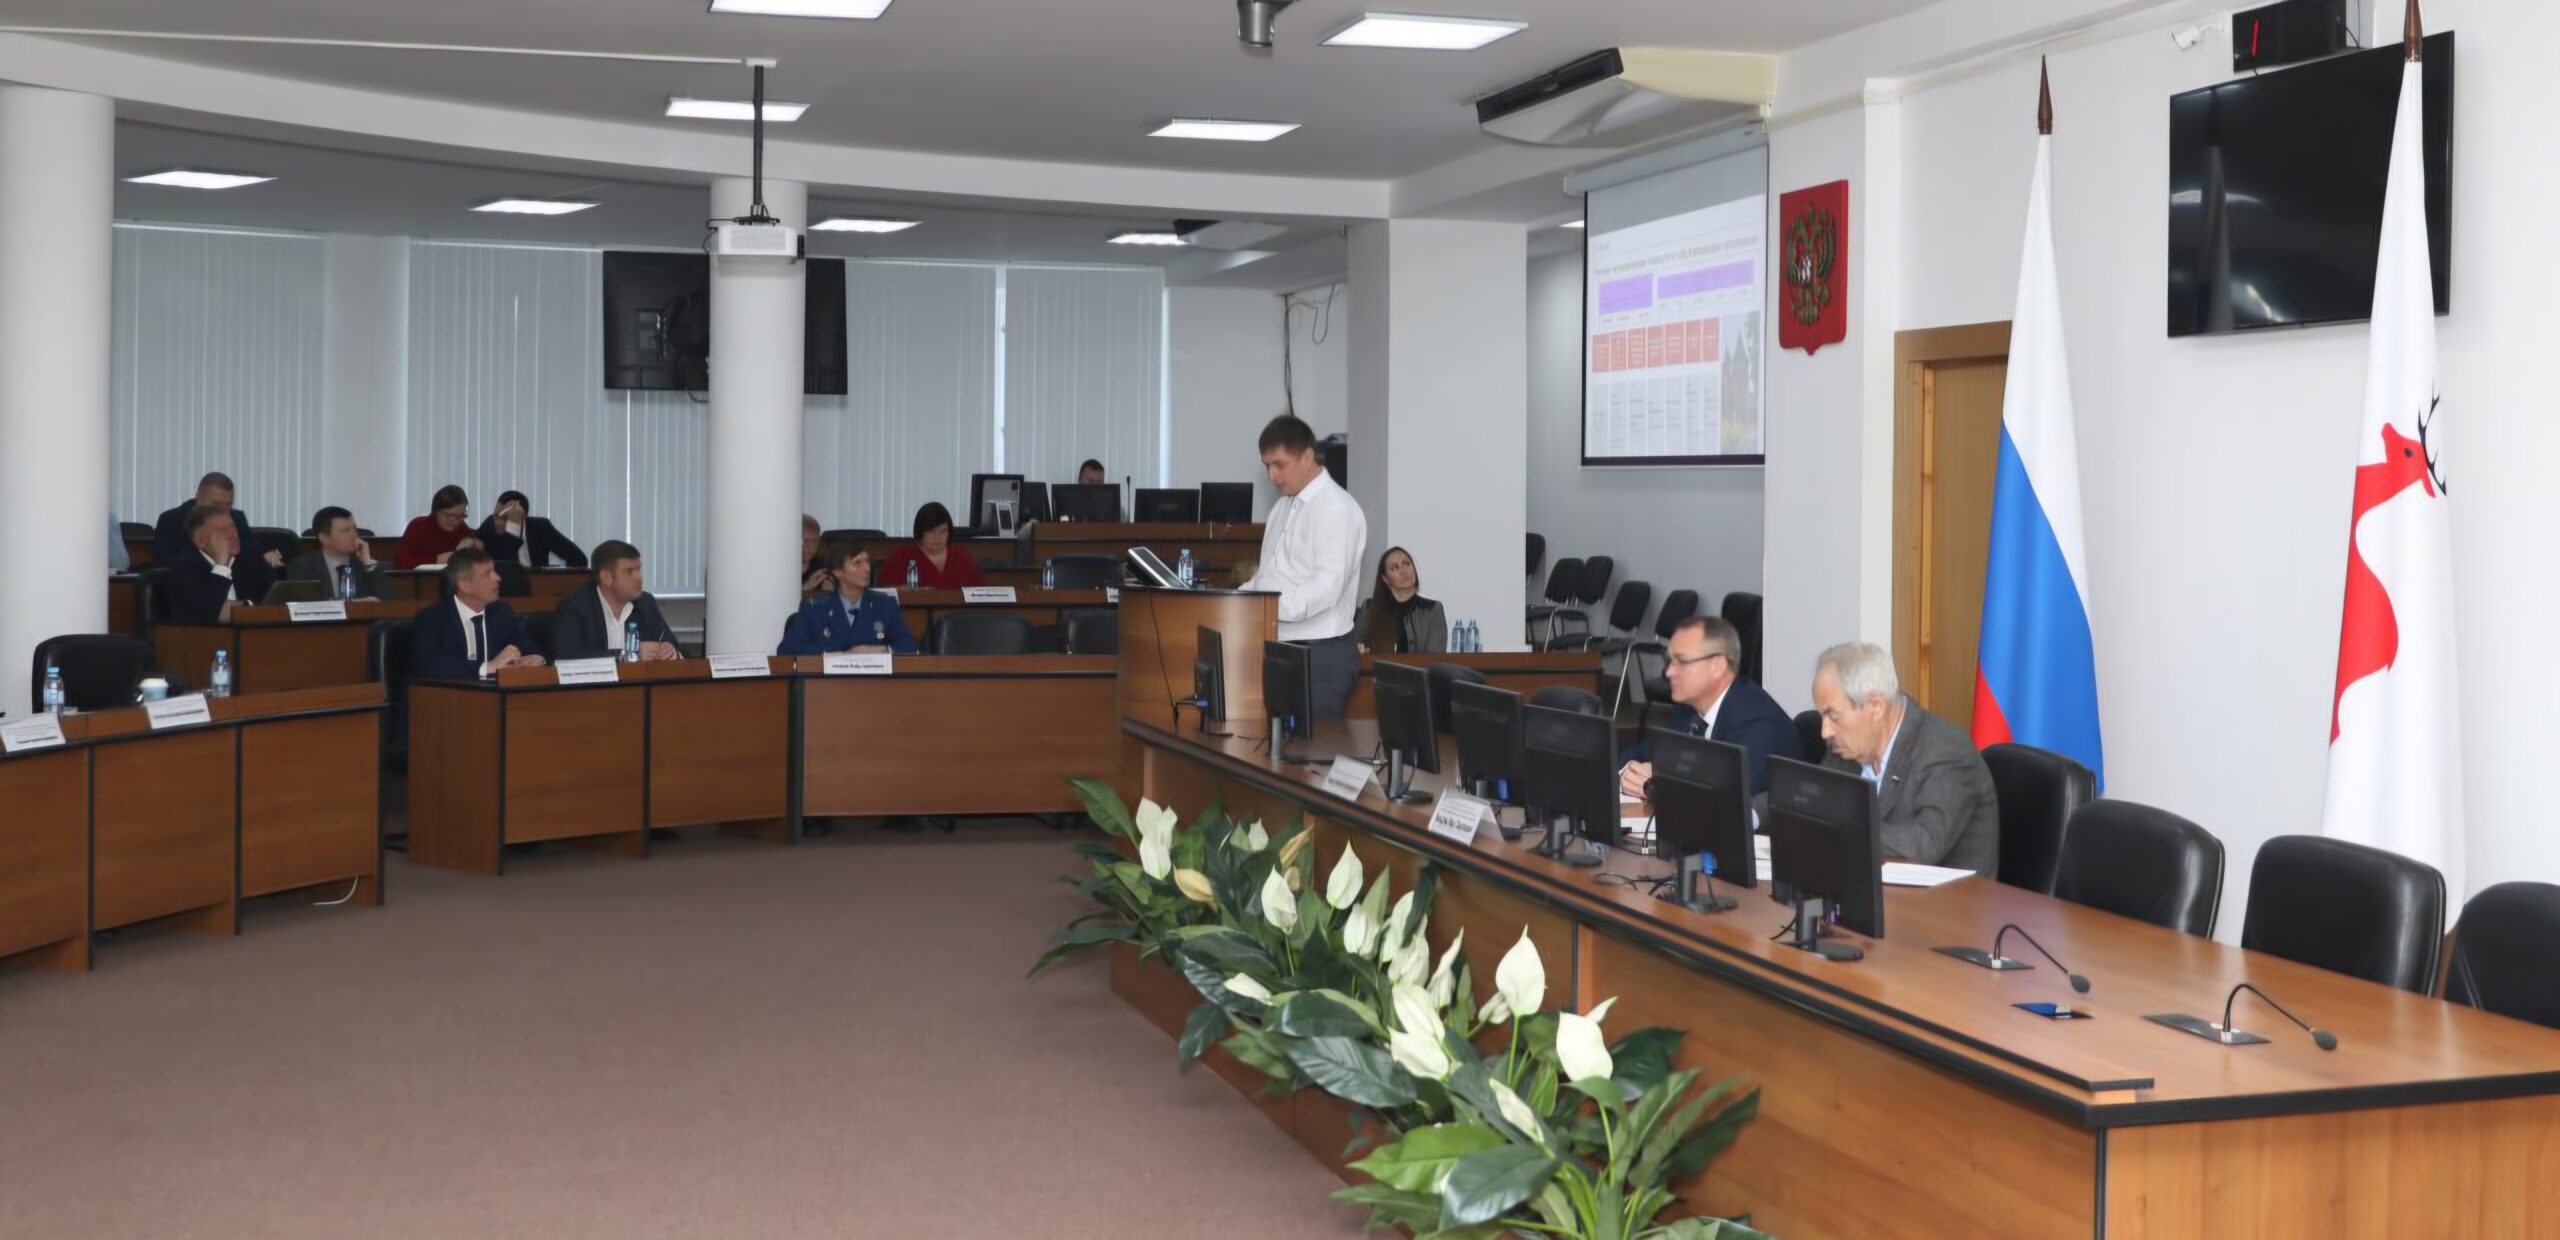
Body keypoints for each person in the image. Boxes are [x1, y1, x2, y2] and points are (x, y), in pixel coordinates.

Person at [1810, 641, 1999, 873]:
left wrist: (1839, 828)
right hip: (1870, 886)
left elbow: (1923, 844)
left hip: (1948, 895)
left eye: (1833, 716)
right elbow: (1815, 805)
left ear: (1876, 707)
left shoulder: (1947, 752)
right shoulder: (1847, 749)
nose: (1825, 732)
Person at [1242, 414, 1367, 720]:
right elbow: (1269, 574)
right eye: (1267, 466)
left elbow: (1326, 589)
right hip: (1280, 645)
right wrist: (1238, 597)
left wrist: (1265, 606)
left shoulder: (1335, 509)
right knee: (1277, 746)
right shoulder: (1282, 506)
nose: (1272, 475)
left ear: (1307, 456)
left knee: (1315, 748)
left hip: (1320, 654)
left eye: (1279, 464)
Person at [1617, 616, 1798, 798]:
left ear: (1717, 666)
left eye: (1682, 661)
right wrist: (1630, 772)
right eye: (1669, 661)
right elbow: (1640, 752)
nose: (1669, 672)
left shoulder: (1757, 723)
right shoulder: (1688, 707)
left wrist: (1658, 779)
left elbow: (1729, 797)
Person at [409, 548, 546, 680]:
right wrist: (488, 667)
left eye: (494, 571)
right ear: (465, 585)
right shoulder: (432, 619)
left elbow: (528, 647)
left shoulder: (501, 612)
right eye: (487, 573)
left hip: (493, 693)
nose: (498, 577)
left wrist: (537, 658)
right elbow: (431, 666)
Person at [779, 540, 919, 655]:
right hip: (831, 680)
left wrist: (880, 650)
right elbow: (787, 650)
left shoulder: (885, 604)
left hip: (874, 679)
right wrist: (842, 654)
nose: (867, 568)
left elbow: (909, 647)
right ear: (838, 571)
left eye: (867, 561)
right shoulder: (814, 608)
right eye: (857, 563)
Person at [550, 540, 682, 662]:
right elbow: (567, 657)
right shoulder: (575, 606)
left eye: (638, 570)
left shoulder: (645, 603)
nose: (638, 577)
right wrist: (628, 655)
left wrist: (670, 650)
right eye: (630, 571)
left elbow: (675, 647)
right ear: (606, 577)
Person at [165, 507, 277, 623]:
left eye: (232, 526)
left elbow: (274, 604)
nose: (232, 534)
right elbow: (211, 617)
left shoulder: (253, 559)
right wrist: (222, 566)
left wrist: (241, 606)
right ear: (200, 541)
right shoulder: (184, 569)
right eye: (221, 530)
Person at [152, 471, 282, 570]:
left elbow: (246, 551)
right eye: (216, 504)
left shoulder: (237, 518)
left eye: (227, 505)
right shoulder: (172, 519)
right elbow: (163, 566)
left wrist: (265, 554)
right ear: (198, 497)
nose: (222, 511)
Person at [287, 506, 394, 601]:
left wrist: (368, 563)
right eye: (346, 530)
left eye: (354, 528)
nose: (354, 534)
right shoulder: (302, 567)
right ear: (324, 538)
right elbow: (302, 603)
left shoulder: (367, 567)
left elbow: (389, 602)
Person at [1356, 546, 1447, 655]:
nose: (1403, 571)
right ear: (1385, 579)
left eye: (1406, 564)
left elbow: (1435, 658)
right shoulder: (1369, 609)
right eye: (1394, 568)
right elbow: (1355, 648)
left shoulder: (1432, 609)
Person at [875, 502, 986, 590]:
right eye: (930, 532)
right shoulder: (900, 557)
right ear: (920, 532)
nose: (937, 537)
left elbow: (981, 592)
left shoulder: (961, 556)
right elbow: (883, 595)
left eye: (943, 531)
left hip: (957, 612)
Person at [476, 490, 588, 570]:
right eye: (496, 510)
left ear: (522, 516)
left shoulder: (540, 527)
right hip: (502, 586)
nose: (496, 516)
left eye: (502, 513)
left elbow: (579, 559)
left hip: (537, 584)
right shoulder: (489, 525)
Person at [395, 485, 481, 569]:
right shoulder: (418, 526)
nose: (456, 522)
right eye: (450, 516)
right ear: (436, 511)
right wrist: (435, 560)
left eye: (461, 516)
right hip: (423, 577)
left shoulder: (462, 528)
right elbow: (400, 563)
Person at [801, 514, 835, 599]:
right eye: (805, 541)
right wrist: (806, 588)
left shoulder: (823, 565)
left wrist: (831, 593)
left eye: (814, 541)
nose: (809, 546)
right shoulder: (783, 569)